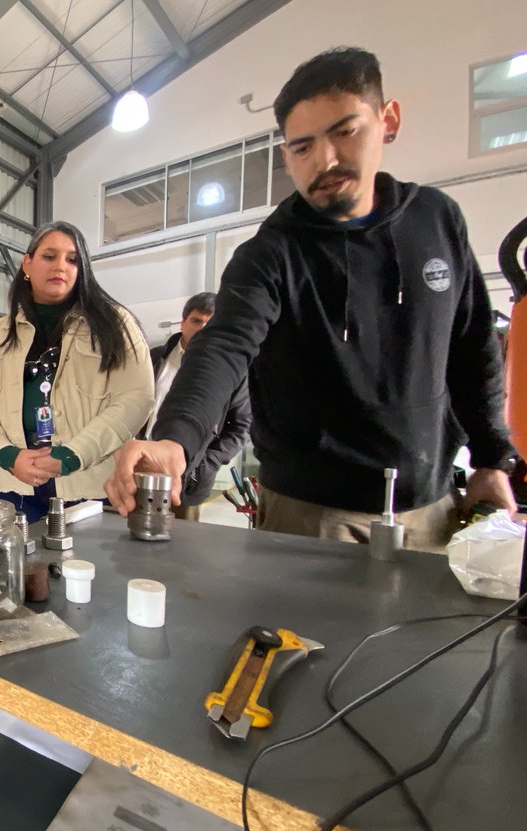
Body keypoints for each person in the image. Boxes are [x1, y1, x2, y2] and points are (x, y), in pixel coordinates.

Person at [105, 47, 514, 549]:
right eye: (302, 147)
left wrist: (493, 458)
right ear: (285, 156)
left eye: (345, 131)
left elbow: (473, 348)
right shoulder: (270, 254)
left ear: (388, 121)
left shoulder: (437, 221)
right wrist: (174, 439)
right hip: (311, 515)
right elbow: (224, 346)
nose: (326, 160)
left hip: (428, 507)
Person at [0, 221, 153, 522]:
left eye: (72, 259)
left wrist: (71, 455)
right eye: (49, 256)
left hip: (88, 488)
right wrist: (7, 455)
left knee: (87, 569)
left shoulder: (115, 325)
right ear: (27, 263)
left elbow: (135, 399)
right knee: (20, 569)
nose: (61, 266)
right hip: (15, 488)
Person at [142, 292, 251, 521]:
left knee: (180, 547)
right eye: (196, 321)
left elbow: (241, 426)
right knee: (130, 537)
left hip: (188, 477)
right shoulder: (151, 359)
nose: (202, 329)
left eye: (210, 323)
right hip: (142, 467)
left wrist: (207, 463)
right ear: (182, 323)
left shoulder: (233, 372)